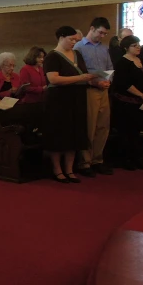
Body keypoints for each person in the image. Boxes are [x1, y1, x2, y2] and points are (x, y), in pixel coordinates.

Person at [43, 26, 98, 183]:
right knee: (59, 135)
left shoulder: (77, 54)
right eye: (71, 39)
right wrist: (79, 79)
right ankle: (57, 169)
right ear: (61, 37)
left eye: (76, 40)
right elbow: (53, 79)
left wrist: (94, 77)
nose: (74, 42)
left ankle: (69, 169)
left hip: (77, 98)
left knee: (75, 135)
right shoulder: (52, 56)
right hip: (59, 100)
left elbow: (82, 73)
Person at [74, 17, 114, 176]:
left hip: (103, 89)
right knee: (90, 127)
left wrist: (107, 80)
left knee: (103, 126)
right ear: (92, 28)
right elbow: (79, 71)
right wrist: (95, 83)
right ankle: (85, 162)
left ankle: (98, 159)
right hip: (89, 89)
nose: (102, 36)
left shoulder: (104, 48)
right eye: (101, 32)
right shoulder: (79, 47)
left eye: (105, 34)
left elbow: (110, 67)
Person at [110, 35, 143, 170]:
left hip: (139, 103)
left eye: (138, 45)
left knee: (136, 131)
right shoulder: (122, 62)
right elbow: (124, 84)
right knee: (126, 132)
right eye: (134, 45)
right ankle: (126, 159)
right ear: (126, 48)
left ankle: (136, 158)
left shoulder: (140, 60)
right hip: (127, 103)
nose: (138, 47)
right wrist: (141, 94)